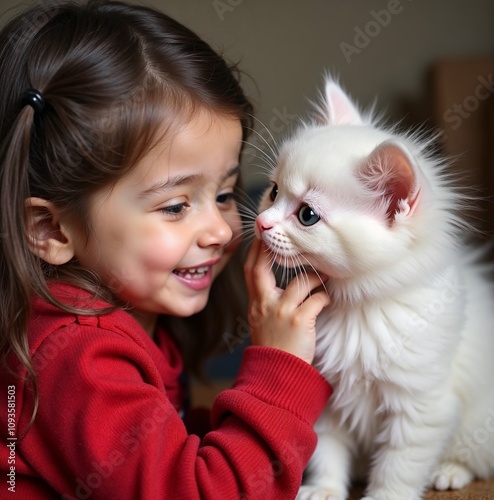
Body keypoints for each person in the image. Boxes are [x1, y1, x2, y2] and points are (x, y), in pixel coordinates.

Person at [0, 1, 332, 498]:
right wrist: (279, 373)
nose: (220, 230)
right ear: (52, 230)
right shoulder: (80, 356)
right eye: (176, 206)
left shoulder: (134, 316)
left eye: (224, 195)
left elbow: (156, 457)